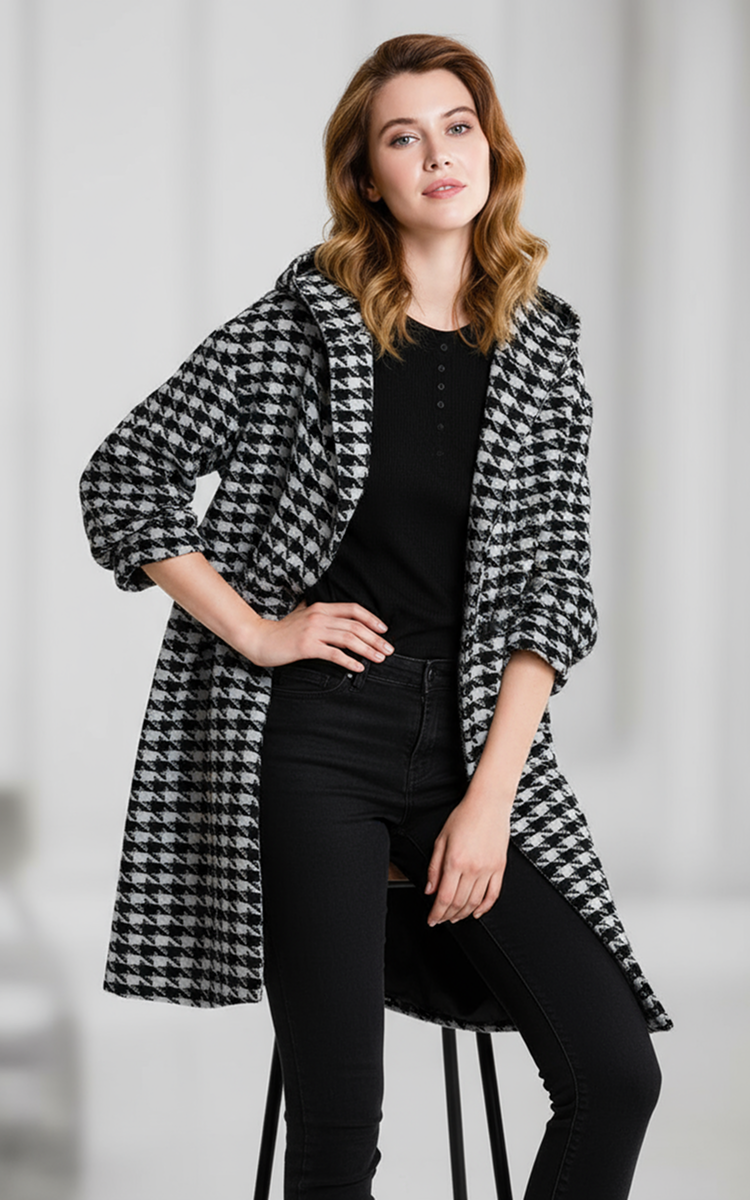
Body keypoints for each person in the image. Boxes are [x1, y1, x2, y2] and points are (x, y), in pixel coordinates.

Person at [79, 32, 672, 1200]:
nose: (436, 154)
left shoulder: (544, 348)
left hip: (470, 743)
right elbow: (123, 474)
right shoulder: (304, 322)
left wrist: (491, 798)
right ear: (367, 174)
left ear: (489, 150)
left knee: (614, 1075)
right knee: (341, 1121)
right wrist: (255, 629)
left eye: (456, 126)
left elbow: (556, 590)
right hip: (316, 741)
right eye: (403, 137)